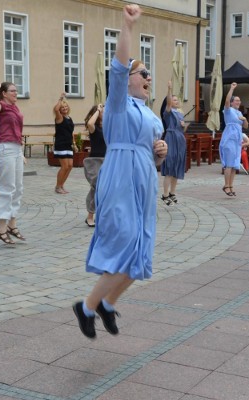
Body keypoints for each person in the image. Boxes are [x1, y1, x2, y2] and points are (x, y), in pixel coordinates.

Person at [73, 4, 168, 339]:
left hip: (144, 180)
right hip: (120, 178)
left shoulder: (150, 114)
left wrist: (160, 152)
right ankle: (86, 307)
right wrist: (128, 27)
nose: (147, 78)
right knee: (126, 241)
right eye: (142, 74)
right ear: (127, 80)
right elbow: (119, 66)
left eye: (148, 75)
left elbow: (156, 150)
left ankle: (107, 305)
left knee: (141, 247)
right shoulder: (117, 104)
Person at [0, 80, 25, 245]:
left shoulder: (15, 108)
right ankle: (1, 228)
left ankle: (12, 224)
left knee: (18, 188)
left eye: (16, 91)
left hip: (15, 148)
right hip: (4, 148)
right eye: (12, 91)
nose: (16, 93)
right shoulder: (0, 107)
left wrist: (21, 152)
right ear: (4, 93)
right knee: (7, 188)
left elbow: (16, 130)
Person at [159, 80, 188, 205]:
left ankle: (172, 192)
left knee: (177, 166)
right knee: (170, 166)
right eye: (174, 100)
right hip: (171, 138)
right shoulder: (168, 113)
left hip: (180, 139)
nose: (177, 101)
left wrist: (184, 125)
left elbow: (183, 129)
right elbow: (169, 104)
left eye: (177, 100)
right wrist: (169, 89)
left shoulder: (180, 114)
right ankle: (165, 194)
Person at [219, 82, 248, 196]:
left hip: (237, 140)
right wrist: (231, 88)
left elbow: (245, 126)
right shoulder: (228, 110)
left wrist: (244, 118)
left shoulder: (239, 112)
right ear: (232, 102)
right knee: (229, 164)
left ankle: (231, 186)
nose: (238, 102)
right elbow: (226, 102)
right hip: (229, 139)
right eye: (236, 100)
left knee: (235, 164)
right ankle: (226, 185)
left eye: (239, 101)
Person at [83, 104, 106, 227]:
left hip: (107, 161)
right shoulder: (94, 129)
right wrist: (98, 110)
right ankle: (90, 215)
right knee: (98, 187)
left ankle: (96, 215)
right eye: (103, 111)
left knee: (101, 189)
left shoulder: (107, 127)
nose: (104, 112)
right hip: (94, 161)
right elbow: (90, 124)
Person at [53, 92, 74, 194]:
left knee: (70, 166)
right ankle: (58, 187)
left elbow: (71, 132)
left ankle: (62, 185)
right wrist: (60, 99)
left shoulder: (69, 118)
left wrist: (74, 143)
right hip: (61, 144)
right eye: (62, 107)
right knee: (64, 166)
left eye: (66, 107)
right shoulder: (59, 118)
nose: (64, 108)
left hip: (68, 144)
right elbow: (56, 109)